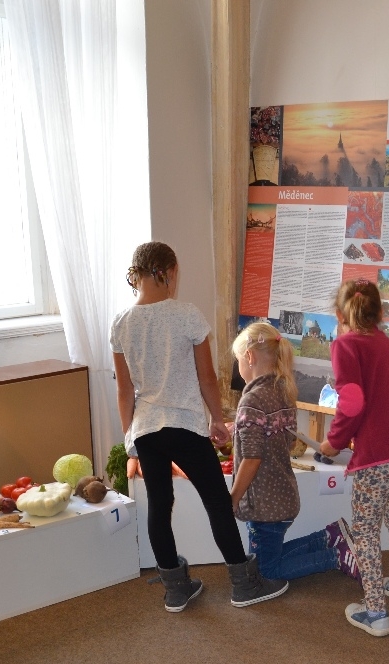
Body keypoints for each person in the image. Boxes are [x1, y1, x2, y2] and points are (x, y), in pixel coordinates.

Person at [111, 241, 288, 612]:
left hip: (146, 429)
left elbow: (124, 391)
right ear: (169, 272)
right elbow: (207, 377)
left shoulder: (121, 323)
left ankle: (176, 589)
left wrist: (130, 438)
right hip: (185, 425)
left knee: (159, 506)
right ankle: (244, 584)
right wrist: (216, 418)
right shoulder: (186, 315)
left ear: (137, 275)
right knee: (217, 503)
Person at [319, 279, 389, 637]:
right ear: (380, 312)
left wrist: (333, 442)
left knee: (365, 529)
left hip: (381, 452)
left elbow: (352, 403)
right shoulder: (386, 343)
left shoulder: (345, 345)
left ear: (339, 315)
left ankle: (376, 613)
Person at [229, 322, 361, 587]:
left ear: (249, 357)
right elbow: (284, 440)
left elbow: (252, 458)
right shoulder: (283, 392)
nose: (238, 367)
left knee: (268, 570)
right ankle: (329, 536)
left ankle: (336, 556)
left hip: (264, 505)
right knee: (271, 554)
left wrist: (233, 498)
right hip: (282, 495)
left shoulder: (252, 400)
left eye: (238, 360)